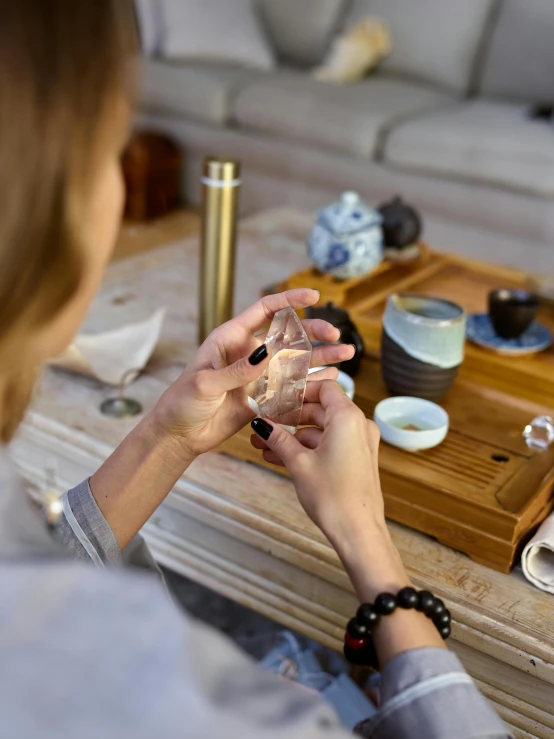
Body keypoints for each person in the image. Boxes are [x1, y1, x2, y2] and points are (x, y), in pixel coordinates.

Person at [0, 2, 512, 738]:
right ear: (41, 208)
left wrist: (168, 437)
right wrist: (370, 542)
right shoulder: (170, 690)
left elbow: (41, 567)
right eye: (113, 151)